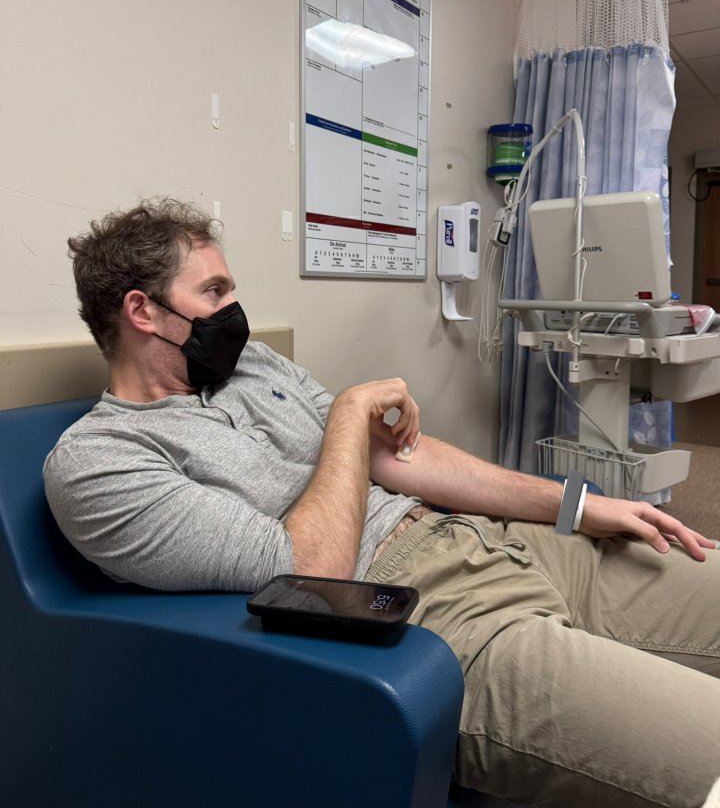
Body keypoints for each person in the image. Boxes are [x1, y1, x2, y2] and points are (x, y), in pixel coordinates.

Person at [44, 197, 720, 808]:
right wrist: (347, 412)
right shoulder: (100, 461)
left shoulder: (256, 368)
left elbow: (403, 458)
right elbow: (313, 566)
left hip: (501, 538)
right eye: (214, 291)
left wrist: (574, 506)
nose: (231, 311)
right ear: (141, 311)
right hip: (435, 613)